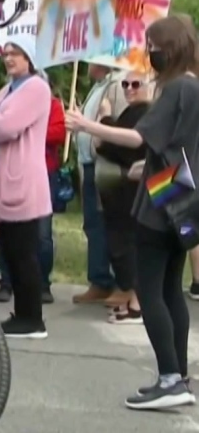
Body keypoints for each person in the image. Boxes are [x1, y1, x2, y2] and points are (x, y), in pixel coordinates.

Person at [66, 14, 198, 410]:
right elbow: (174, 146)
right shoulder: (194, 87)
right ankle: (180, 376)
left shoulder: (176, 89)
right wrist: (148, 165)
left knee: (149, 288)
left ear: (168, 49)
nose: (149, 53)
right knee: (172, 288)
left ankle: (170, 378)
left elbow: (138, 136)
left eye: (152, 46)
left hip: (161, 204)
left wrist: (88, 125)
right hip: (184, 195)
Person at [0, 42, 51, 339]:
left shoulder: (36, 88)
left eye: (15, 54)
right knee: (11, 252)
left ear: (29, 57)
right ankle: (23, 312)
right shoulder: (9, 89)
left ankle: (32, 319)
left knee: (23, 253)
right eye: (5, 54)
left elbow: (5, 128)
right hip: (1, 182)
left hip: (22, 182)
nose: (8, 59)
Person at [0, 71, 64, 305]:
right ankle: (6, 282)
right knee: (7, 228)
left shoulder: (52, 104)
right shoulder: (6, 103)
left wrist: (26, 129)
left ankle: (43, 284)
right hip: (10, 171)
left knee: (42, 233)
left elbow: (58, 132)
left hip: (43, 172)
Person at [94, 70, 151, 325]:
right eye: (125, 84)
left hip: (133, 190)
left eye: (135, 84)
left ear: (147, 85)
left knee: (131, 247)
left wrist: (104, 118)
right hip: (120, 191)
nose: (129, 88)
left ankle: (138, 304)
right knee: (123, 245)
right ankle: (134, 299)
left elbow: (122, 144)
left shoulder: (145, 112)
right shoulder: (132, 111)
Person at [73, 61, 128, 305]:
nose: (87, 64)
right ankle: (99, 280)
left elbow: (118, 125)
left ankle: (120, 283)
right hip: (88, 165)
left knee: (111, 224)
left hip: (104, 166)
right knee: (93, 224)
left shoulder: (117, 85)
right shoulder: (97, 86)